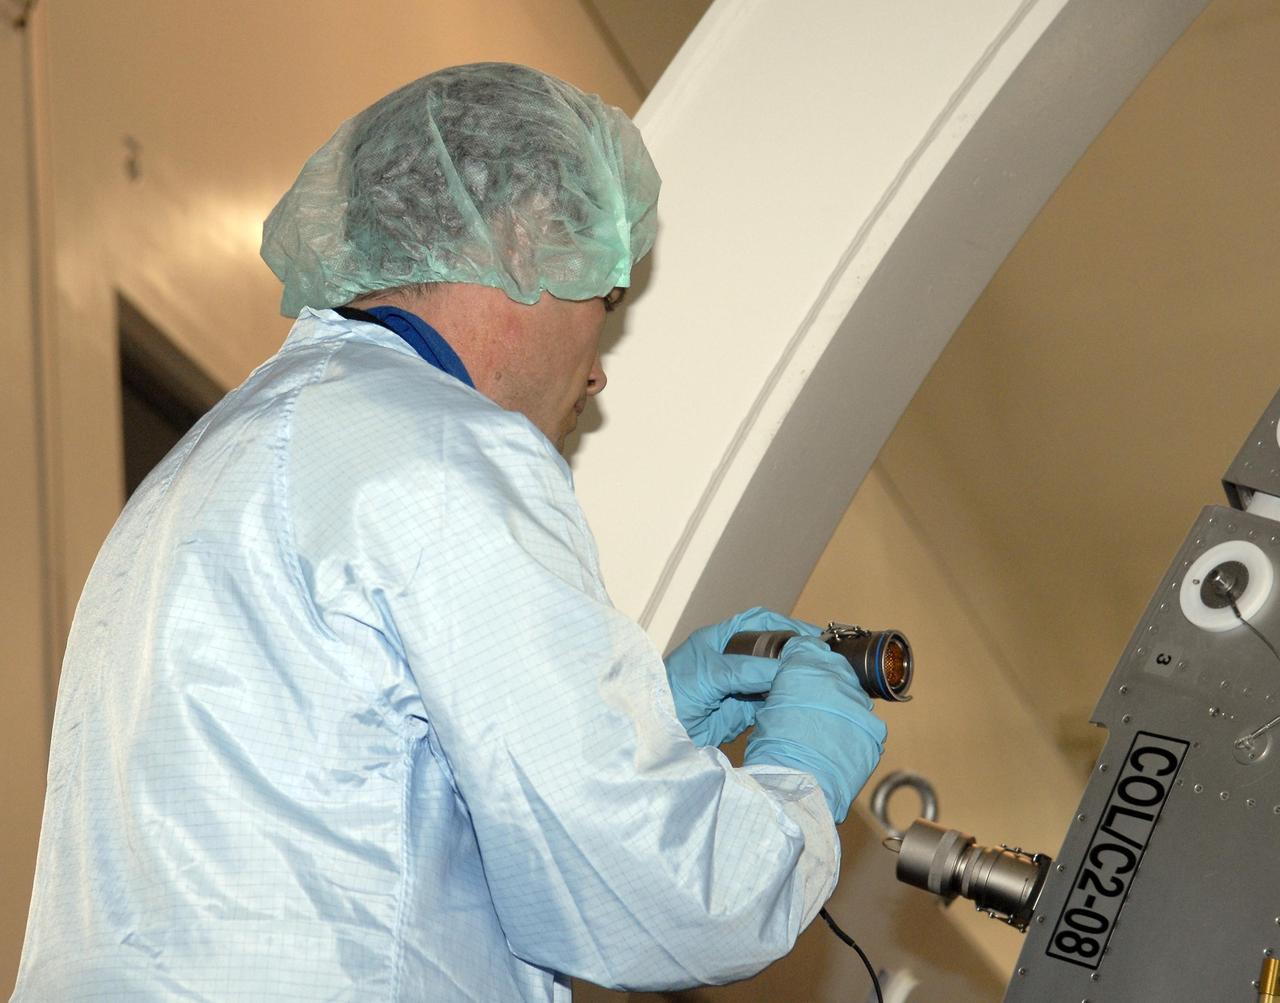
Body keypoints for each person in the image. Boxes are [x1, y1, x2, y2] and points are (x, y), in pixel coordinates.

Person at [13, 63, 886, 1001]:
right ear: (525, 237)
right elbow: (667, 899)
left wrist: (636, 723)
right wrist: (797, 781)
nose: (598, 374)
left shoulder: (220, 455)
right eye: (608, 301)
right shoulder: (447, 453)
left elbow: (351, 815)